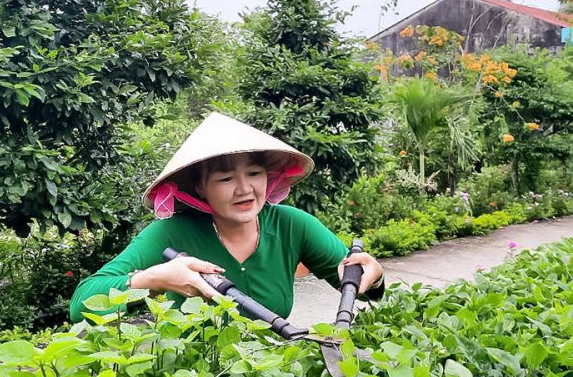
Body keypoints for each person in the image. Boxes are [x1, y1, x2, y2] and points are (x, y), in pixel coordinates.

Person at [69, 112, 385, 323]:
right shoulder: (170, 234)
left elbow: (360, 285)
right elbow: (80, 304)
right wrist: (153, 279)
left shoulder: (292, 225)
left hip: (273, 370)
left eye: (254, 172)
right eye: (225, 179)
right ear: (200, 188)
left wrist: (374, 274)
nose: (245, 189)